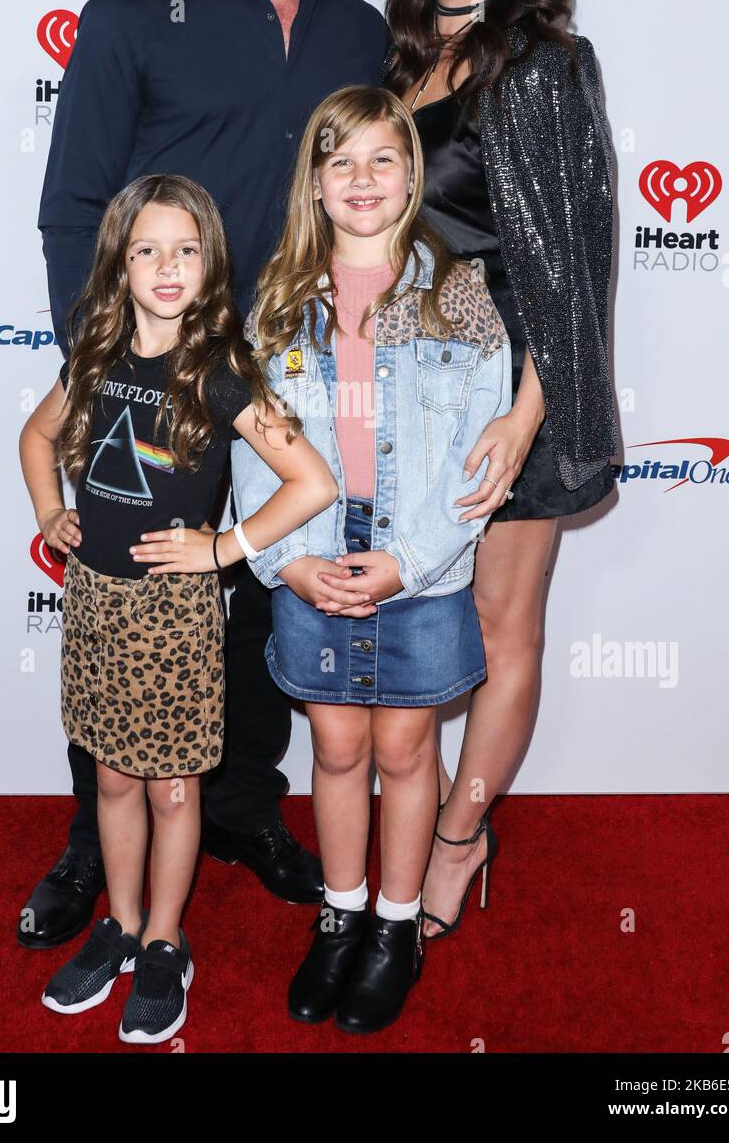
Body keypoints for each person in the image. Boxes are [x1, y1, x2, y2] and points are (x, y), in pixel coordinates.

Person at [26, 0, 389, 947]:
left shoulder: (357, 27)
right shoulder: (129, 17)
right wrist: (99, 376)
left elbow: (375, 193)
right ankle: (97, 841)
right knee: (132, 601)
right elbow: (75, 208)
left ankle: (238, 807)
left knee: (247, 600)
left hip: (288, 370)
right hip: (153, 373)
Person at [19, 173, 338, 1043]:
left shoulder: (223, 369)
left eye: (186, 249)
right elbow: (37, 435)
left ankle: (165, 941)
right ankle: (119, 926)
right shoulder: (92, 350)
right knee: (114, 779)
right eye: (147, 249)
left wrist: (224, 548)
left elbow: (312, 481)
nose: (167, 266)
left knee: (169, 788)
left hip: (176, 621)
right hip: (93, 604)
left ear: (211, 262)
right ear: (119, 265)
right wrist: (51, 511)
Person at [230, 85, 513, 1033]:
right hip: (313, 552)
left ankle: (397, 927)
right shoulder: (274, 298)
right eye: (340, 161)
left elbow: (483, 451)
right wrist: (290, 563)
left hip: (421, 560)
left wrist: (412, 560)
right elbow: (250, 444)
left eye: (383, 159)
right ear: (314, 183)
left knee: (403, 744)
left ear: (412, 174)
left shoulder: (457, 291)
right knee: (339, 746)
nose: (362, 180)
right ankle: (341, 912)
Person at [383, 0, 618, 938]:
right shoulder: (393, 59)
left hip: (515, 380)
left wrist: (530, 415)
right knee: (423, 617)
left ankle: (459, 839)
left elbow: (573, 260)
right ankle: (404, 829)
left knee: (498, 620)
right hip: (412, 384)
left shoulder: (546, 65)